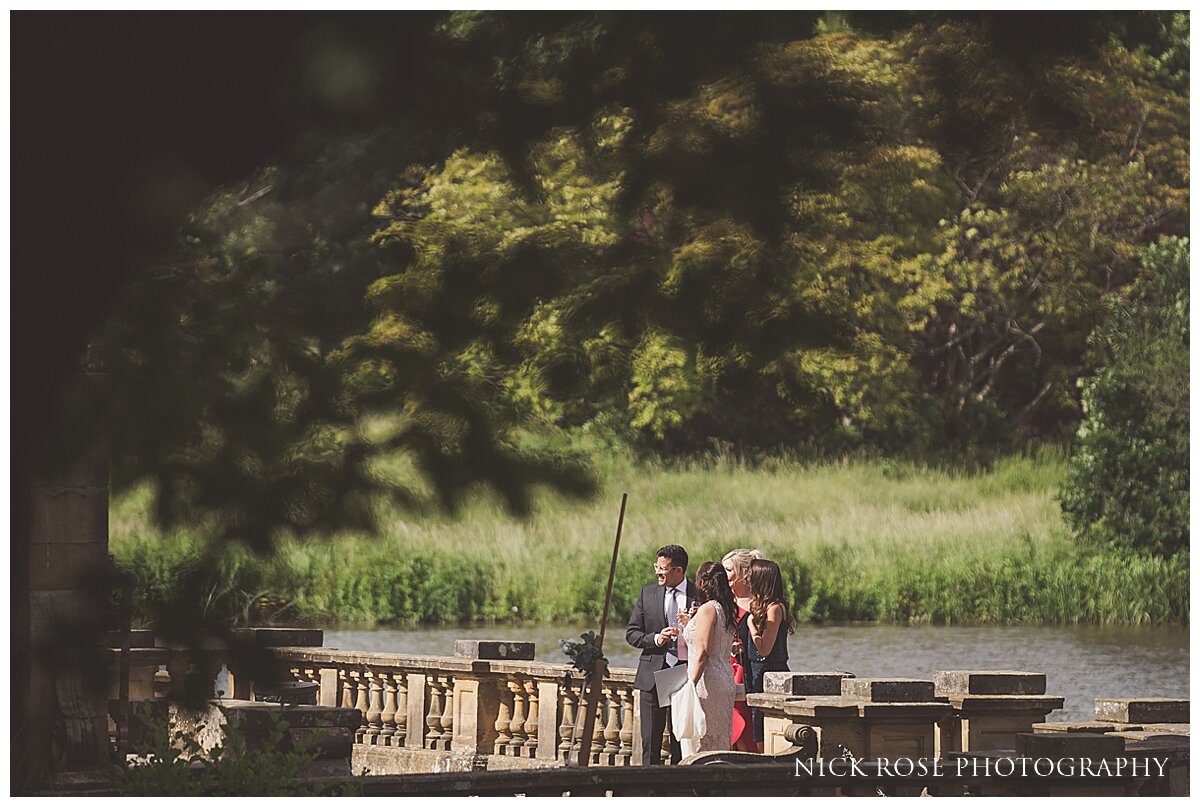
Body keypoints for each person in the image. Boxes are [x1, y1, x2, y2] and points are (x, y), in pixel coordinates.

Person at [625, 544, 696, 765]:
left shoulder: (699, 594)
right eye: (657, 566)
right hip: (652, 674)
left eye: (663, 568)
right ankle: (649, 792)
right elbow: (632, 633)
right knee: (650, 742)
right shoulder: (648, 593)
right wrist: (656, 638)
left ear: (679, 570)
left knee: (681, 739)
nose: (658, 572)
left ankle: (678, 790)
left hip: (684, 674)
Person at [674, 561, 737, 757]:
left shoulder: (707, 609)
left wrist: (690, 685)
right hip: (724, 676)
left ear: (702, 582)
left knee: (702, 742)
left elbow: (703, 651)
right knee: (718, 739)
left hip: (706, 681)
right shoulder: (724, 608)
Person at [745, 558, 794, 752]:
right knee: (757, 728)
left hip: (771, 672)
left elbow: (765, 648)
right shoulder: (761, 605)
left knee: (764, 729)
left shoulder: (774, 608)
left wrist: (750, 625)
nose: (747, 579)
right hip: (757, 671)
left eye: (751, 576)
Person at [722, 548, 763, 752]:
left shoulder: (759, 603)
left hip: (746, 671)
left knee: (745, 723)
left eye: (728, 570)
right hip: (725, 668)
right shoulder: (724, 603)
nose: (724, 576)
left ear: (743, 573)